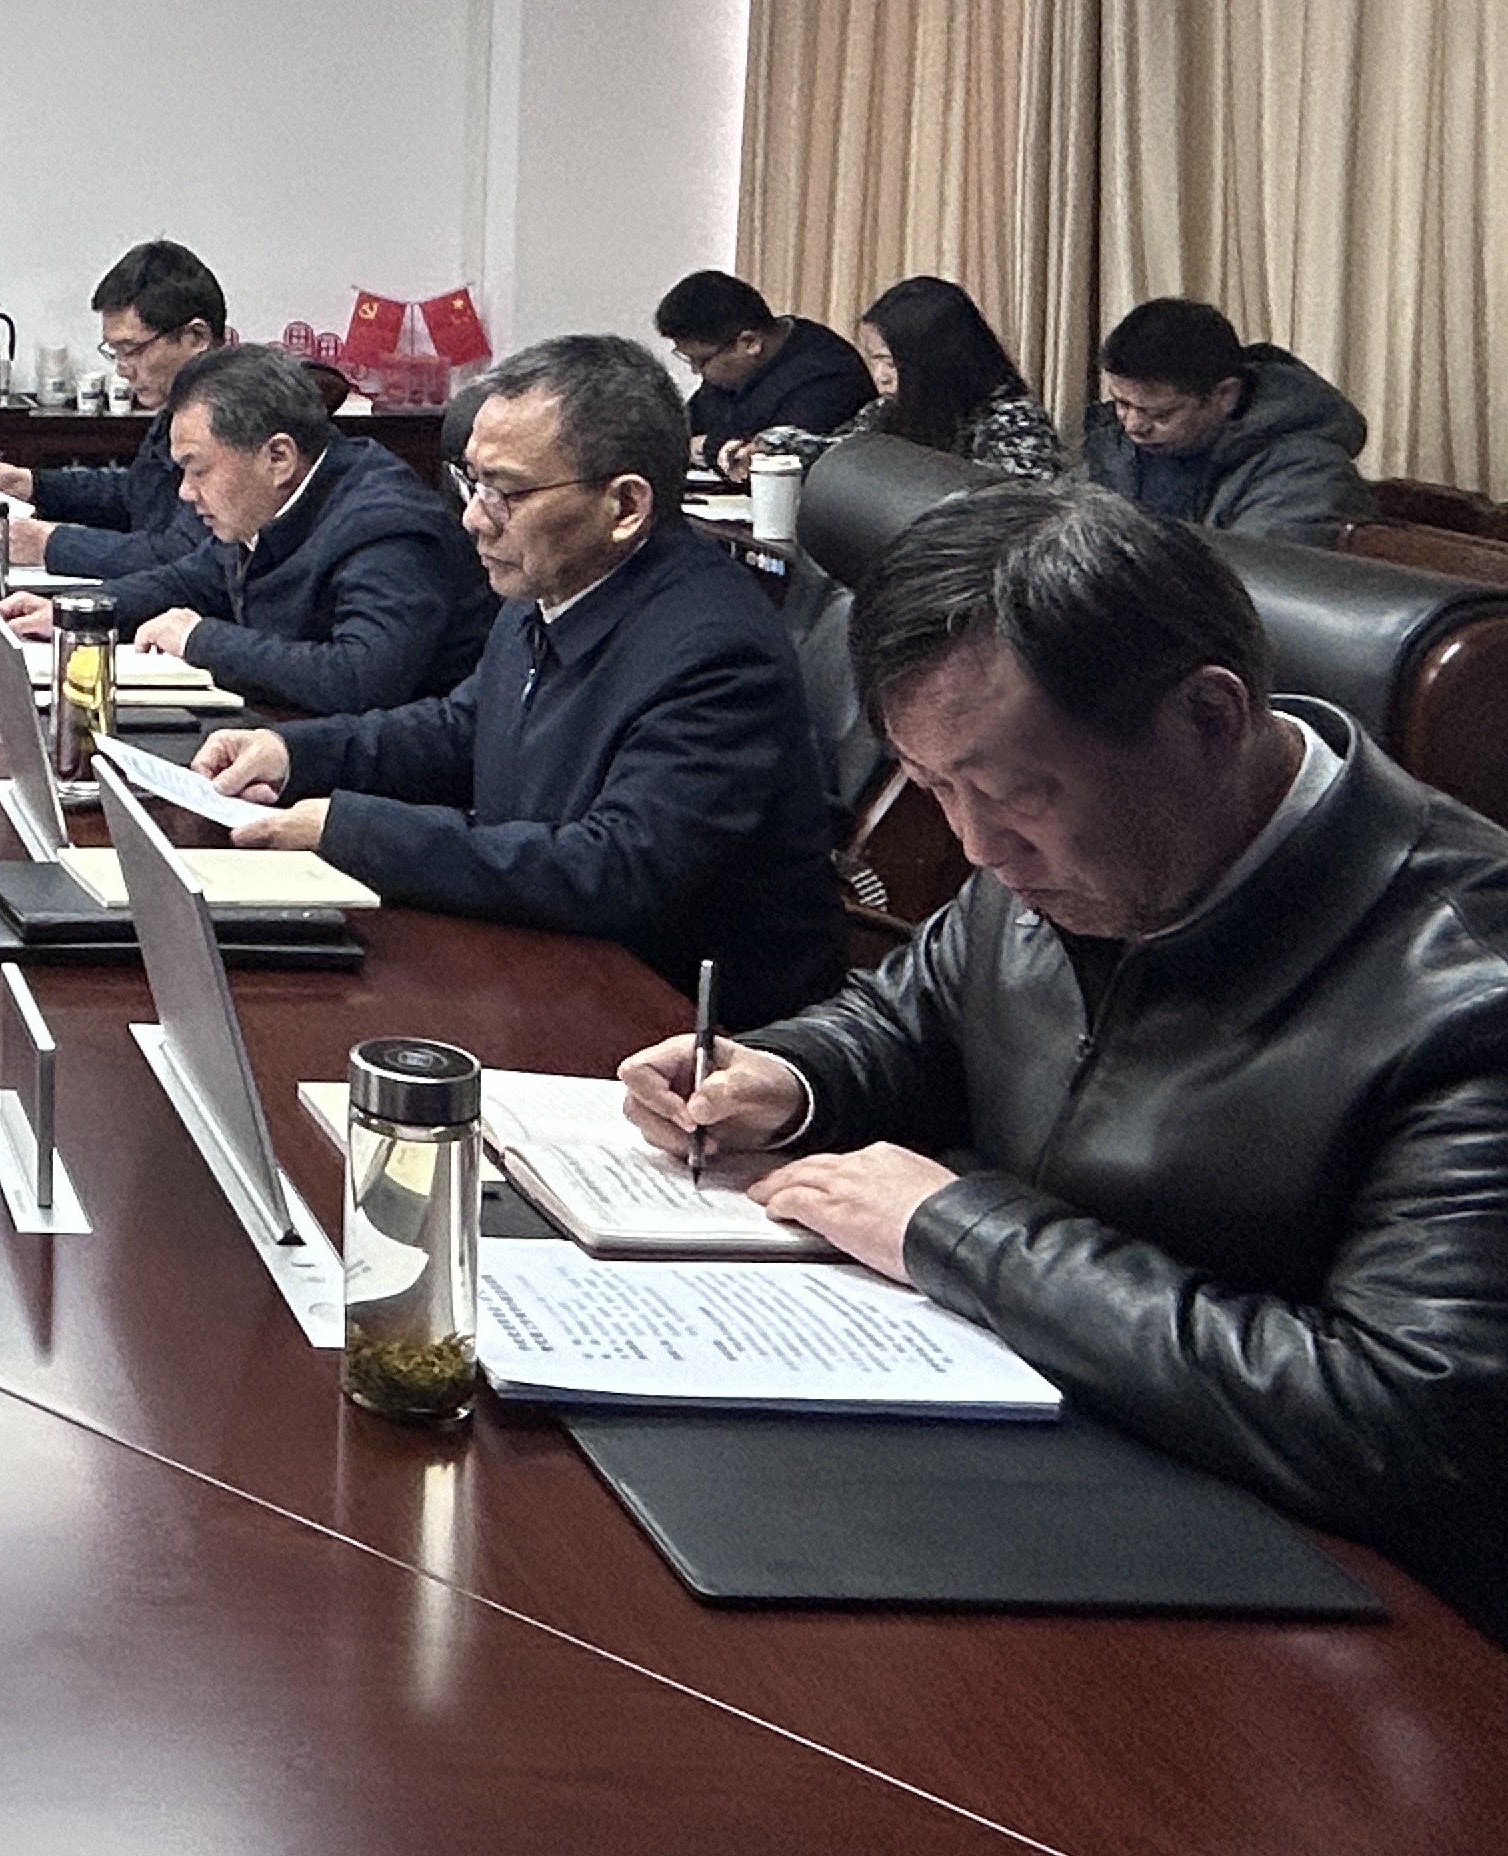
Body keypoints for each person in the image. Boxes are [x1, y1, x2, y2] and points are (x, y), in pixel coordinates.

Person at [622, 485, 1508, 1639]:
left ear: (1208, 718)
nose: (976, 847)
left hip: (1305, 1609)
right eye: (935, 788)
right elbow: (918, 1017)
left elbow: (1400, 1419)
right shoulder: (1073, 862)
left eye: (1012, 794)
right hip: (1035, 1459)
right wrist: (788, 1080)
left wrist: (960, 1232)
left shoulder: (1468, 990)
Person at [194, 333, 845, 1026]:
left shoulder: (714, 651)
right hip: (545, 962)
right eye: (471, 482)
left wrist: (352, 830)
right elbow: (464, 727)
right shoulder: (553, 584)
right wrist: (296, 754)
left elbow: (613, 870)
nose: (474, 518)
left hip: (676, 1025)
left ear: (625, 507)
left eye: (504, 491)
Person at [78, 343, 494, 714]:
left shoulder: (388, 528)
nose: (185, 492)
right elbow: (193, 580)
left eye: (198, 469)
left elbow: (358, 678)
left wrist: (199, 639)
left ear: (278, 457)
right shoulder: (272, 503)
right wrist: (78, 610)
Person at [0, 238, 228, 594]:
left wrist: (50, 543)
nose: (122, 369)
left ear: (196, 337)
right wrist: (31, 485)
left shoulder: (234, 420)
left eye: (132, 350)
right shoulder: (177, 406)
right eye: (114, 352)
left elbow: (185, 557)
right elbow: (134, 495)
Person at [1079, 296, 1377, 546]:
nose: (1133, 425)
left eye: (1160, 414)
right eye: (1121, 404)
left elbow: (1253, 583)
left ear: (1225, 395)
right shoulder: (1117, 450)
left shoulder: (1307, 475)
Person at [814, 273, 1067, 478]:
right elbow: (836, 453)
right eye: (874, 360)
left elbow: (1012, 510)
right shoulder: (888, 410)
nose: (880, 376)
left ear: (936, 362)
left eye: (891, 363)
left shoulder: (1013, 425)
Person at [652, 271, 870, 477]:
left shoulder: (828, 377)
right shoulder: (733, 369)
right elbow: (678, 432)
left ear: (750, 343)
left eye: (701, 361)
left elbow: (769, 459)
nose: (695, 370)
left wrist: (707, 446)